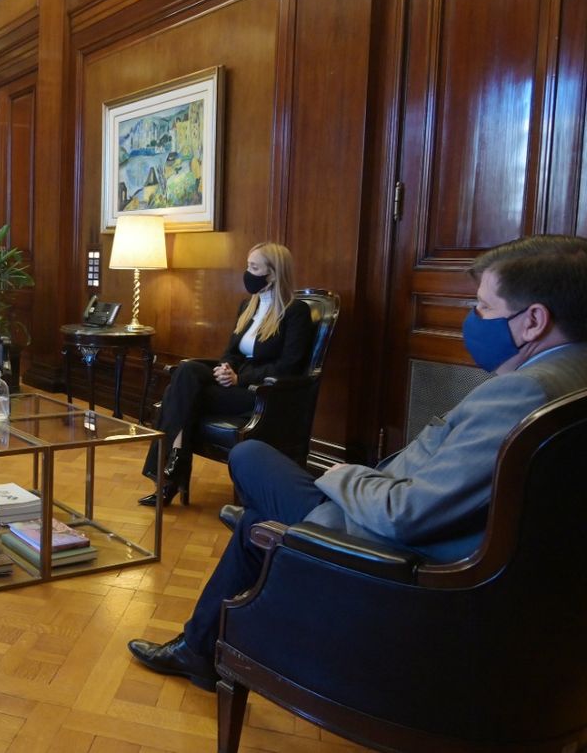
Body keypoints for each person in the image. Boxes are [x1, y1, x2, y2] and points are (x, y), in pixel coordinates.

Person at [127, 235, 587, 692]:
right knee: (253, 505)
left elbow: (404, 514)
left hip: (388, 549)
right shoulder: (570, 376)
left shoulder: (520, 394)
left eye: (483, 307)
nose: (473, 319)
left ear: (533, 322)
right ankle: (202, 641)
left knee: (250, 464)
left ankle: (209, 634)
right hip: (433, 537)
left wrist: (345, 475)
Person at [138, 242, 313, 506]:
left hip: (262, 395)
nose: (248, 272)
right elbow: (232, 351)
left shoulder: (295, 312)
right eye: (247, 265)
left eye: (254, 267)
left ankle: (168, 476)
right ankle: (170, 473)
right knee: (187, 371)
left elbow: (289, 365)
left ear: (274, 273)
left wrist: (240, 379)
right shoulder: (248, 306)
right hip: (234, 382)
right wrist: (225, 368)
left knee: (180, 394)